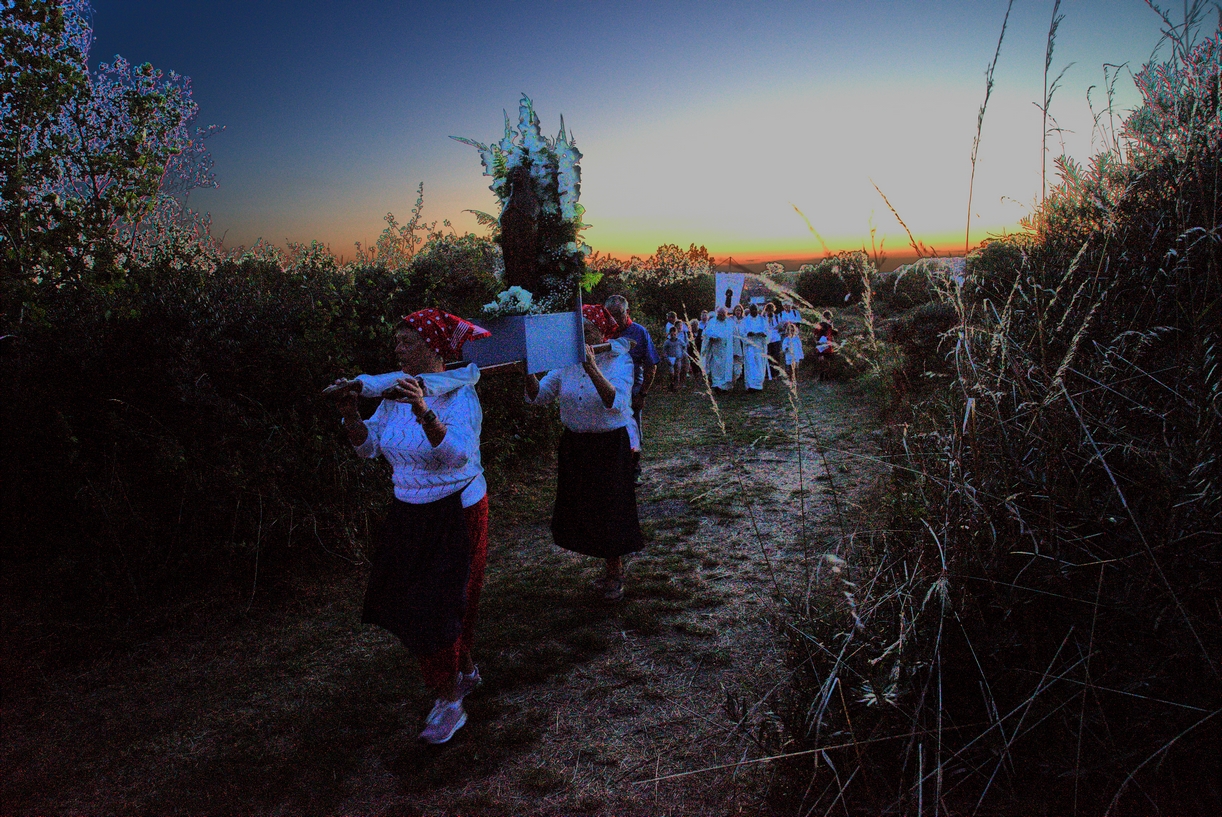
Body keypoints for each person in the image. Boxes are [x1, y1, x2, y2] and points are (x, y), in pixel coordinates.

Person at [330, 308, 491, 745]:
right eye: (396, 342)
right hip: (409, 511)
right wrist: (350, 417)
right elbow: (368, 450)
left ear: (435, 348)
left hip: (456, 508)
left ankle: (449, 701)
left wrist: (423, 411)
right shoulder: (390, 395)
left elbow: (456, 456)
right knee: (409, 603)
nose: (397, 350)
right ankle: (463, 670)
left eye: (407, 342)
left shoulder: (459, 394)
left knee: (441, 606)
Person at [525, 305, 643, 601]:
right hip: (576, 445)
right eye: (577, 333)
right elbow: (539, 396)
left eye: (588, 332)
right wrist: (526, 371)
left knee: (611, 510)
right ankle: (599, 565)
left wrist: (591, 366)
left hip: (609, 445)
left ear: (604, 332)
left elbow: (615, 403)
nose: (581, 339)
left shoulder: (620, 360)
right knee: (582, 508)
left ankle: (615, 573)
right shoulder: (566, 362)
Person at [604, 295, 659, 480]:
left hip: (632, 391)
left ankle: (634, 469)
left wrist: (642, 394)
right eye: (608, 315)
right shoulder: (604, 331)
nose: (613, 320)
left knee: (632, 430)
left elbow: (651, 365)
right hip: (607, 388)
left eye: (617, 315)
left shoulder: (639, 332)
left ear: (627, 312)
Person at [700, 306, 736, 391]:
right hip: (716, 349)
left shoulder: (730, 323)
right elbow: (706, 333)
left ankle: (725, 386)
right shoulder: (712, 322)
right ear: (717, 314)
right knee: (716, 367)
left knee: (726, 367)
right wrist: (711, 338)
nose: (722, 316)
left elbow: (734, 335)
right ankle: (716, 384)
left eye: (724, 314)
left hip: (727, 349)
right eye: (720, 314)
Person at [740, 303, 769, 392]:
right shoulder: (745, 321)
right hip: (750, 346)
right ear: (749, 310)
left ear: (758, 310)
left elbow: (768, 331)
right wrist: (747, 334)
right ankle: (751, 385)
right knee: (751, 365)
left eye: (755, 310)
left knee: (760, 365)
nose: (754, 311)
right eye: (752, 310)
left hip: (760, 345)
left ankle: (759, 384)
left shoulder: (762, 320)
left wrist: (764, 335)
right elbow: (741, 333)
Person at [662, 325, 686, 391]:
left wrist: (682, 354)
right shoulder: (667, 342)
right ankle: (672, 383)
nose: (673, 335)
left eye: (674, 334)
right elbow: (664, 350)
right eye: (672, 334)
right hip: (670, 358)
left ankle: (676, 386)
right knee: (671, 373)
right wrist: (666, 358)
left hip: (678, 358)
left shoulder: (679, 341)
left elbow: (684, 347)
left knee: (677, 372)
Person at [764, 302, 783, 379]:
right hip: (768, 339)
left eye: (771, 310)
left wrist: (779, 327)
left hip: (776, 338)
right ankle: (769, 372)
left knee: (776, 355)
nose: (770, 312)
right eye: (768, 310)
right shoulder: (764, 317)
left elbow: (781, 327)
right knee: (769, 356)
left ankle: (776, 372)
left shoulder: (777, 317)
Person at [731, 304, 746, 387]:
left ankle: (742, 373)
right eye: (737, 310)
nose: (738, 312)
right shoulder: (731, 320)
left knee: (743, 357)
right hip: (735, 341)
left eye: (739, 310)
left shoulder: (744, 320)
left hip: (742, 340)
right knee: (736, 358)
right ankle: (735, 375)